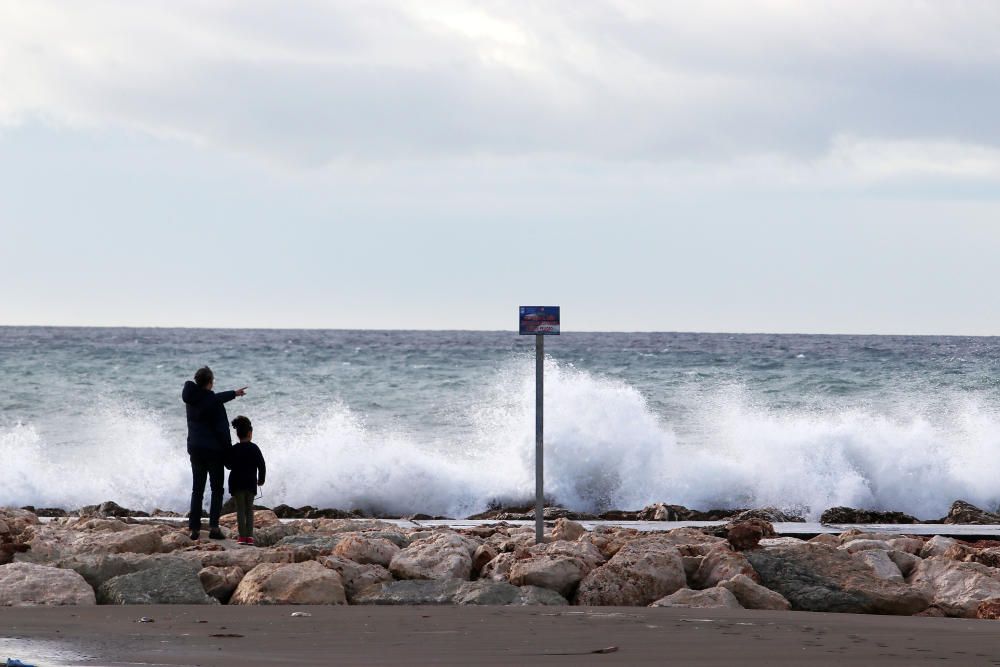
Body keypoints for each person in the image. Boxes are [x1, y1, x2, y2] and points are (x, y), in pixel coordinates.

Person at [182, 366, 247, 540]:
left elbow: (215, 398)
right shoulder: (213, 402)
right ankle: (214, 528)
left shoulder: (191, 398)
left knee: (197, 489)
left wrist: (234, 393)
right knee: (217, 489)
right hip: (213, 452)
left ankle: (194, 529)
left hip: (195, 449)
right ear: (210, 383)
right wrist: (229, 453)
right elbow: (222, 430)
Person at [225, 415, 266, 546]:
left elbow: (228, 465)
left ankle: (242, 537)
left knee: (240, 510)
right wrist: (261, 479)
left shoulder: (234, 449)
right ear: (250, 433)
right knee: (249, 510)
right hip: (250, 483)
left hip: (237, 483)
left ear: (238, 434)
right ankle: (250, 537)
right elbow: (262, 465)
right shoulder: (254, 448)